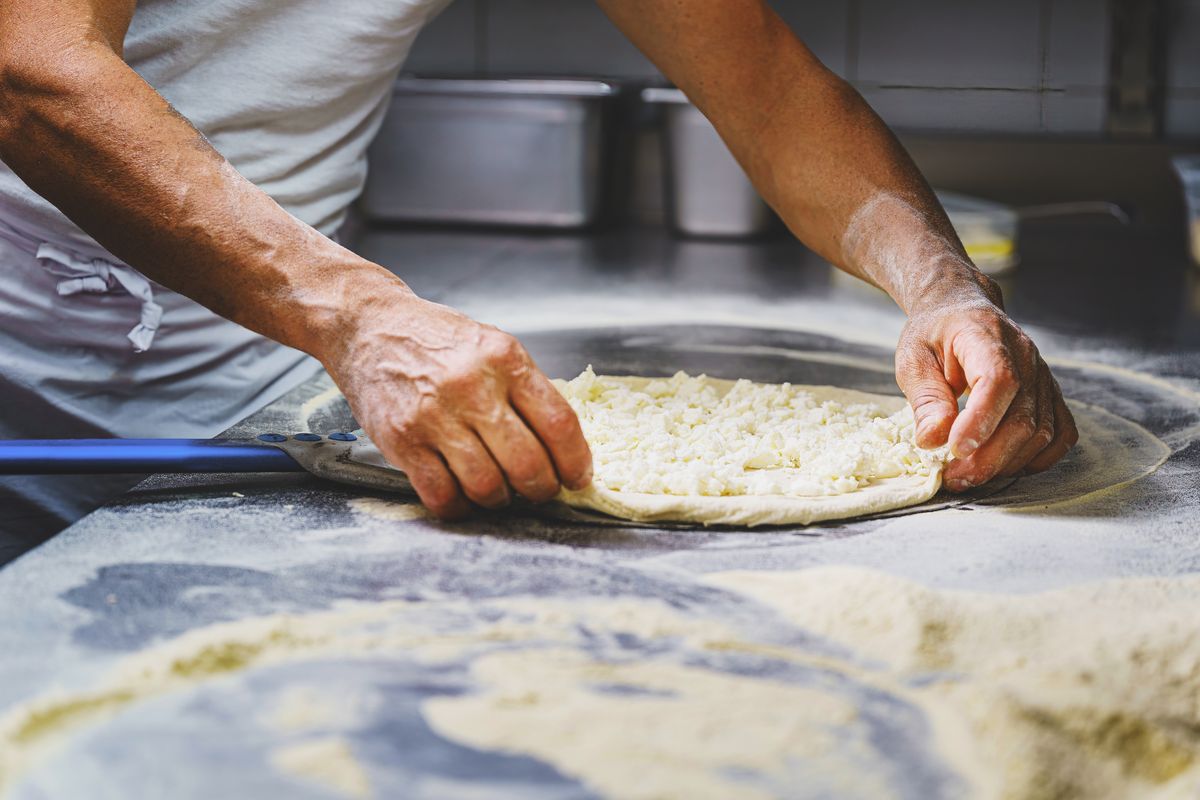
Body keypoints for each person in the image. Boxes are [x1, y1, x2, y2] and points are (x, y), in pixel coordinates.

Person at [0, 0, 1077, 561]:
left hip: (270, 411)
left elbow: (770, 88)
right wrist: (360, 314)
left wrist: (943, 290)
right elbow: (34, 70)